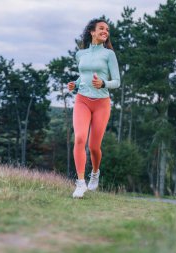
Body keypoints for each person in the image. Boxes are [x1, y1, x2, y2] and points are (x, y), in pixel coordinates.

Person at [68, 18, 120, 198]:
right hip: (82, 99)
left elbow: (117, 82)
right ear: (92, 31)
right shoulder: (80, 54)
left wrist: (104, 83)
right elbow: (83, 76)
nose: (105, 31)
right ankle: (80, 183)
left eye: (107, 29)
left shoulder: (109, 54)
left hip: (101, 103)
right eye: (101, 28)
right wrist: (74, 83)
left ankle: (95, 173)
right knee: (80, 138)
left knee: (94, 146)